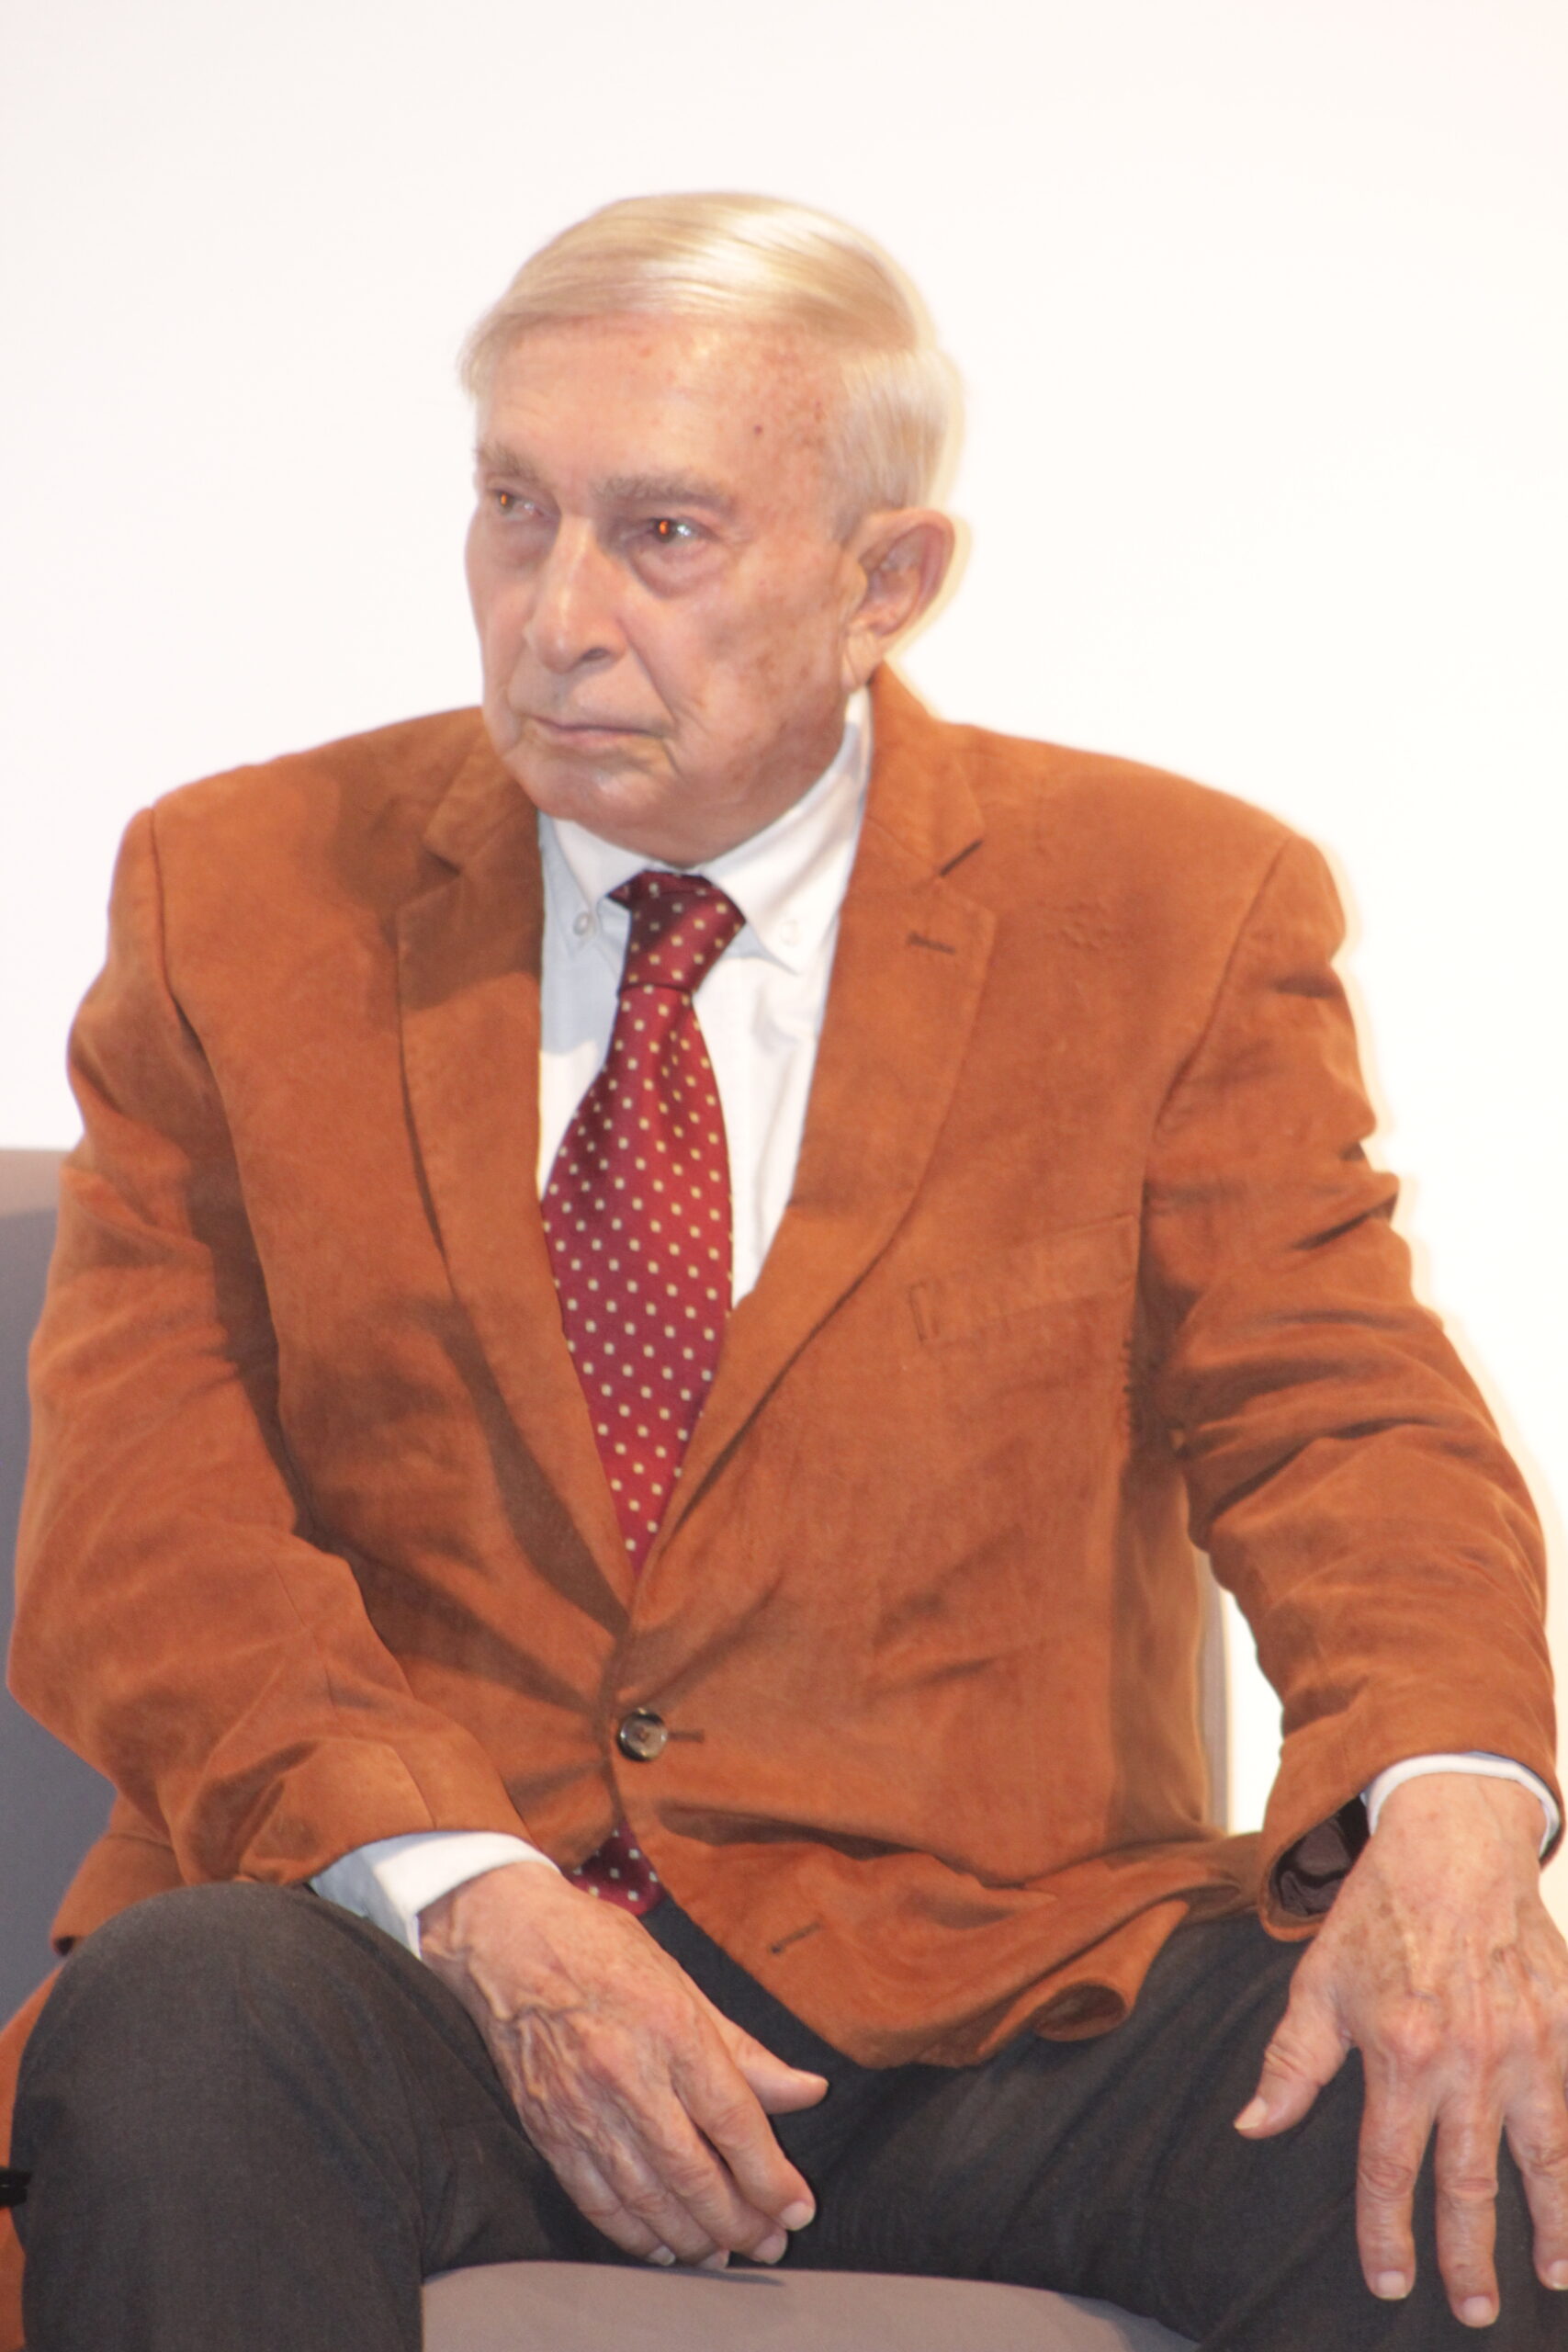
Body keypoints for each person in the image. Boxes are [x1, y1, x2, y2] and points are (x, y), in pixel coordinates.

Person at [4, 192, 1566, 2352]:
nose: (555, 616)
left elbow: (1337, 1419)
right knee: (184, 2021)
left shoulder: (1168, 906)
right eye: (513, 509)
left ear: (884, 579)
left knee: (1454, 2106)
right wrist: (481, 1899)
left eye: (660, 534)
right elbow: (141, 1523)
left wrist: (1452, 1811)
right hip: (429, 1963)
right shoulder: (237, 890)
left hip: (994, 1990)